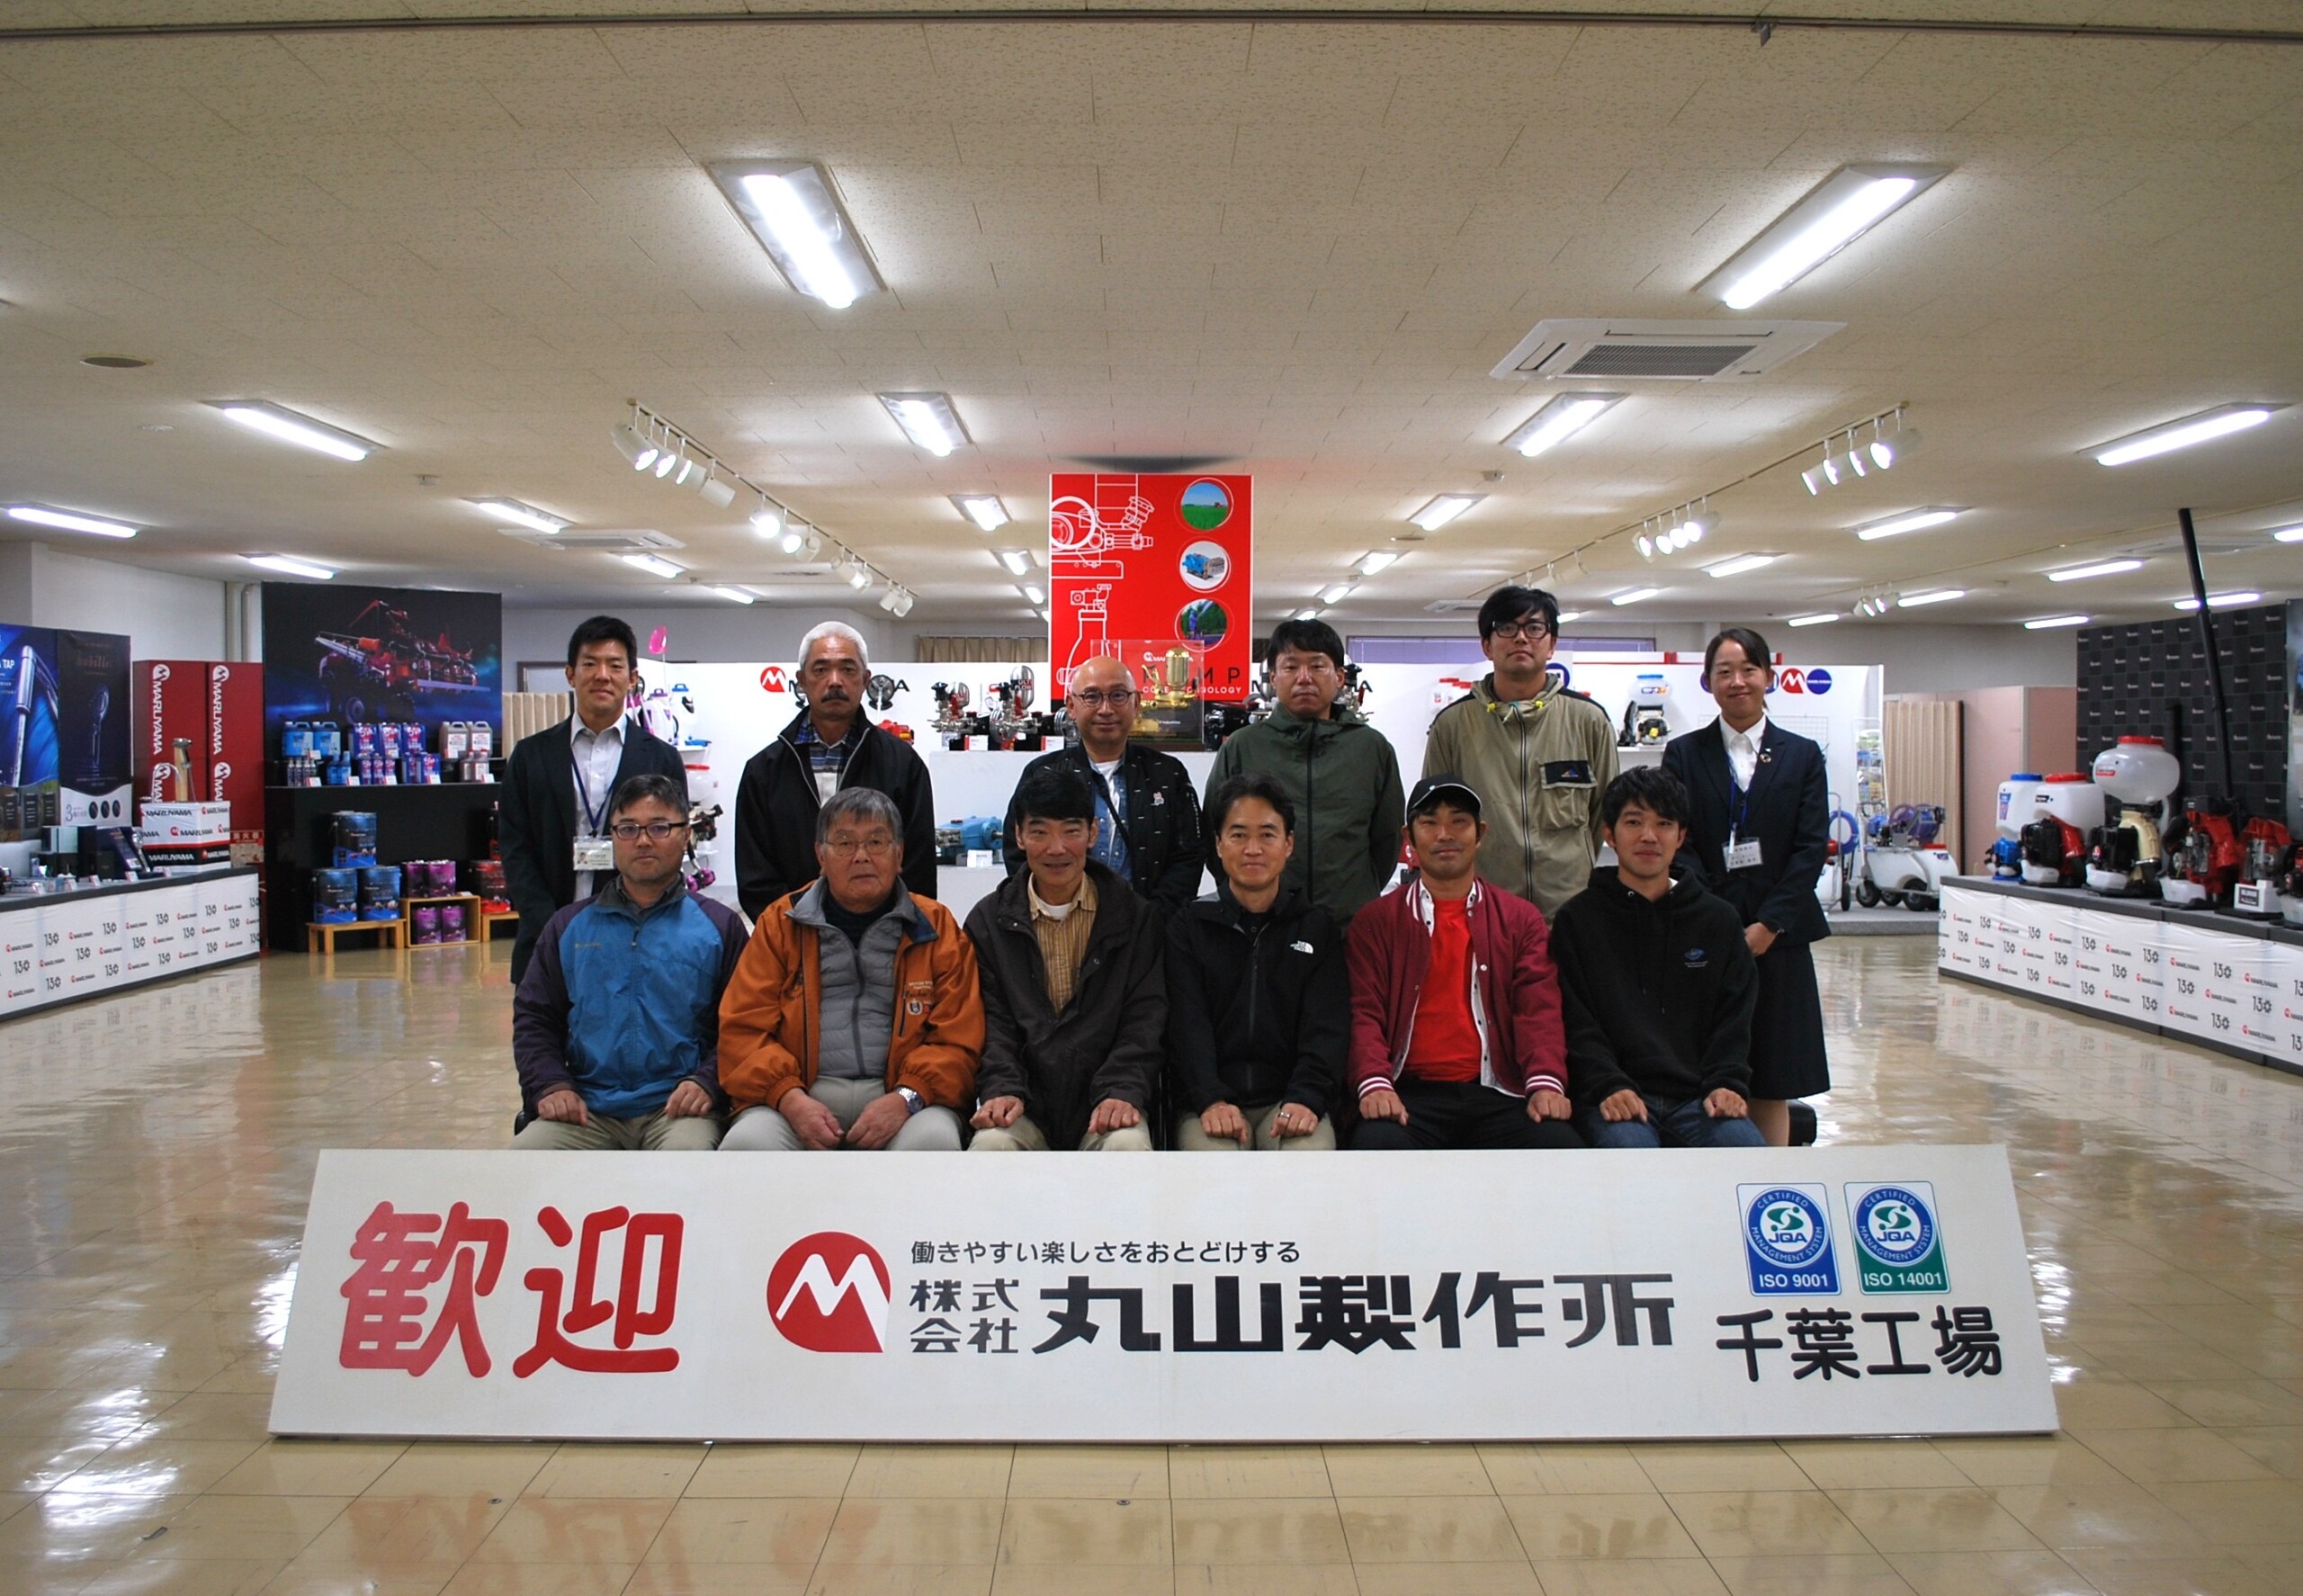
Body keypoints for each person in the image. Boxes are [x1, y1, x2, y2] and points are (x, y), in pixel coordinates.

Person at [716, 789, 980, 1152]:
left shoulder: (936, 927)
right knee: (746, 1145)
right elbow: (743, 1030)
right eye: (844, 843)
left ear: (899, 854)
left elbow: (959, 1039)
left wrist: (906, 1097)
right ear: (820, 856)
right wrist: (789, 1097)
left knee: (935, 1142)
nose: (861, 856)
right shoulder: (780, 924)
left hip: (903, 1095)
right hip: (798, 1093)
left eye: (877, 842)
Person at [1346, 774, 1583, 1151]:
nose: (1445, 834)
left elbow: (1537, 1011)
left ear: (1480, 833)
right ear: (1409, 838)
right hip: (1408, 1094)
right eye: (1429, 823)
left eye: (1459, 821)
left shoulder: (1520, 919)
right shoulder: (1376, 922)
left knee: (1560, 1145)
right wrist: (1374, 1083)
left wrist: (1544, 1083)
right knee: (1376, 1145)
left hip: (1498, 1090)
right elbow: (1364, 1012)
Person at [1662, 625, 1833, 1146]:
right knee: (1703, 1069)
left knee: (1773, 1075)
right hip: (1705, 933)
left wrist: (1768, 925)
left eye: (1748, 670)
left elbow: (1810, 848)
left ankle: (1770, 1178)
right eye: (1724, 672)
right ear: (1708, 682)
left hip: (1780, 938)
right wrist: (1718, 917)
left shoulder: (1802, 756)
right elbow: (1677, 841)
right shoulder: (1684, 754)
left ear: (1769, 677)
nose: (1737, 681)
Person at [511, 774, 746, 1150]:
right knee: (527, 1157)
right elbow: (535, 1017)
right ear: (613, 837)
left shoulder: (719, 927)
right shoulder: (568, 926)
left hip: (678, 1107)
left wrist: (707, 1080)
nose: (642, 840)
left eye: (659, 827)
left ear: (685, 835)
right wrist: (551, 1084)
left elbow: (745, 1023)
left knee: (687, 1166)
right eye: (628, 828)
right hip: (588, 1107)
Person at [1550, 767, 1765, 1149]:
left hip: (1699, 1098)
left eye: (1664, 824)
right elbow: (1575, 1020)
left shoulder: (1718, 920)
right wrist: (1608, 1084)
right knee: (1631, 1156)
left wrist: (1726, 1082)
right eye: (1634, 822)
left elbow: (1735, 1017)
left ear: (1680, 836)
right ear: (1609, 834)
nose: (1649, 836)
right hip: (1612, 1095)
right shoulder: (1577, 921)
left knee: (1745, 1154)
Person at [966, 765, 1164, 1152]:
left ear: (1093, 833)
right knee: (991, 1148)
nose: (1056, 848)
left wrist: (1122, 1089)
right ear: (1019, 836)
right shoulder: (988, 923)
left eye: (1071, 831)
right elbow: (991, 1023)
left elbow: (1145, 1017)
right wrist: (1003, 1087)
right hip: (1022, 1104)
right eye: (1039, 832)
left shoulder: (1134, 918)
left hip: (1107, 1101)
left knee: (1127, 1147)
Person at [499, 615, 688, 983]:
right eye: (590, 664)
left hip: (636, 940)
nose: (602, 675)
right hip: (546, 939)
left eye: (615, 666)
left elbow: (671, 847)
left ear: (632, 678)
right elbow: (515, 846)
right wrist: (549, 924)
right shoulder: (530, 756)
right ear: (570, 674)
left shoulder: (661, 758)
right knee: (544, 1022)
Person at [1165, 773, 1346, 1151]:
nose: (1253, 849)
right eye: (1238, 835)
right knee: (1213, 1168)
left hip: (1290, 1100)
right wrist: (1210, 1098)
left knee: (1308, 1162)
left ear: (1288, 843)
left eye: (1267, 834)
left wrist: (1306, 1097)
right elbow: (1186, 1027)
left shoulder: (1317, 928)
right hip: (1207, 1103)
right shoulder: (1189, 927)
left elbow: (1326, 1028)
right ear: (1218, 844)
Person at [1421, 584, 1617, 918]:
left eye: (1534, 628)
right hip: (1484, 912)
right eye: (1507, 628)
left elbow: (1605, 813)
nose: (1521, 638)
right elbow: (1435, 817)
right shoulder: (1452, 725)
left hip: (1569, 910)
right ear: (1487, 645)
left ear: (1552, 644)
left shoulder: (1589, 720)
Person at [1204, 618, 1403, 923]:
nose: (1304, 678)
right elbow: (1213, 831)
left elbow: (1387, 838)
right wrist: (1247, 896)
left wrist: (1359, 893)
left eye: (1317, 666)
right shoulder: (1244, 746)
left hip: (1349, 924)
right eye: (1291, 667)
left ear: (1339, 676)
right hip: (1264, 923)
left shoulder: (1371, 748)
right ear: (1273, 677)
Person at [734, 622, 936, 920]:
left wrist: (891, 932)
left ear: (865, 680)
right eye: (821, 670)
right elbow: (756, 877)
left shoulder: (903, 765)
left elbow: (918, 868)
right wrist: (790, 931)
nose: (835, 681)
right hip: (792, 935)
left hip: (885, 934)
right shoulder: (763, 772)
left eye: (848, 669)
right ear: (802, 681)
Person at [1002, 655, 1207, 916]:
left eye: (1118, 695)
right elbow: (1017, 849)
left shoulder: (1167, 774)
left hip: (1151, 927)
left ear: (1136, 703)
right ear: (1072, 706)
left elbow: (1189, 855)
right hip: (1061, 923)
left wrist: (1152, 919)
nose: (1106, 709)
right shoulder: (1042, 772)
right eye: (1092, 697)